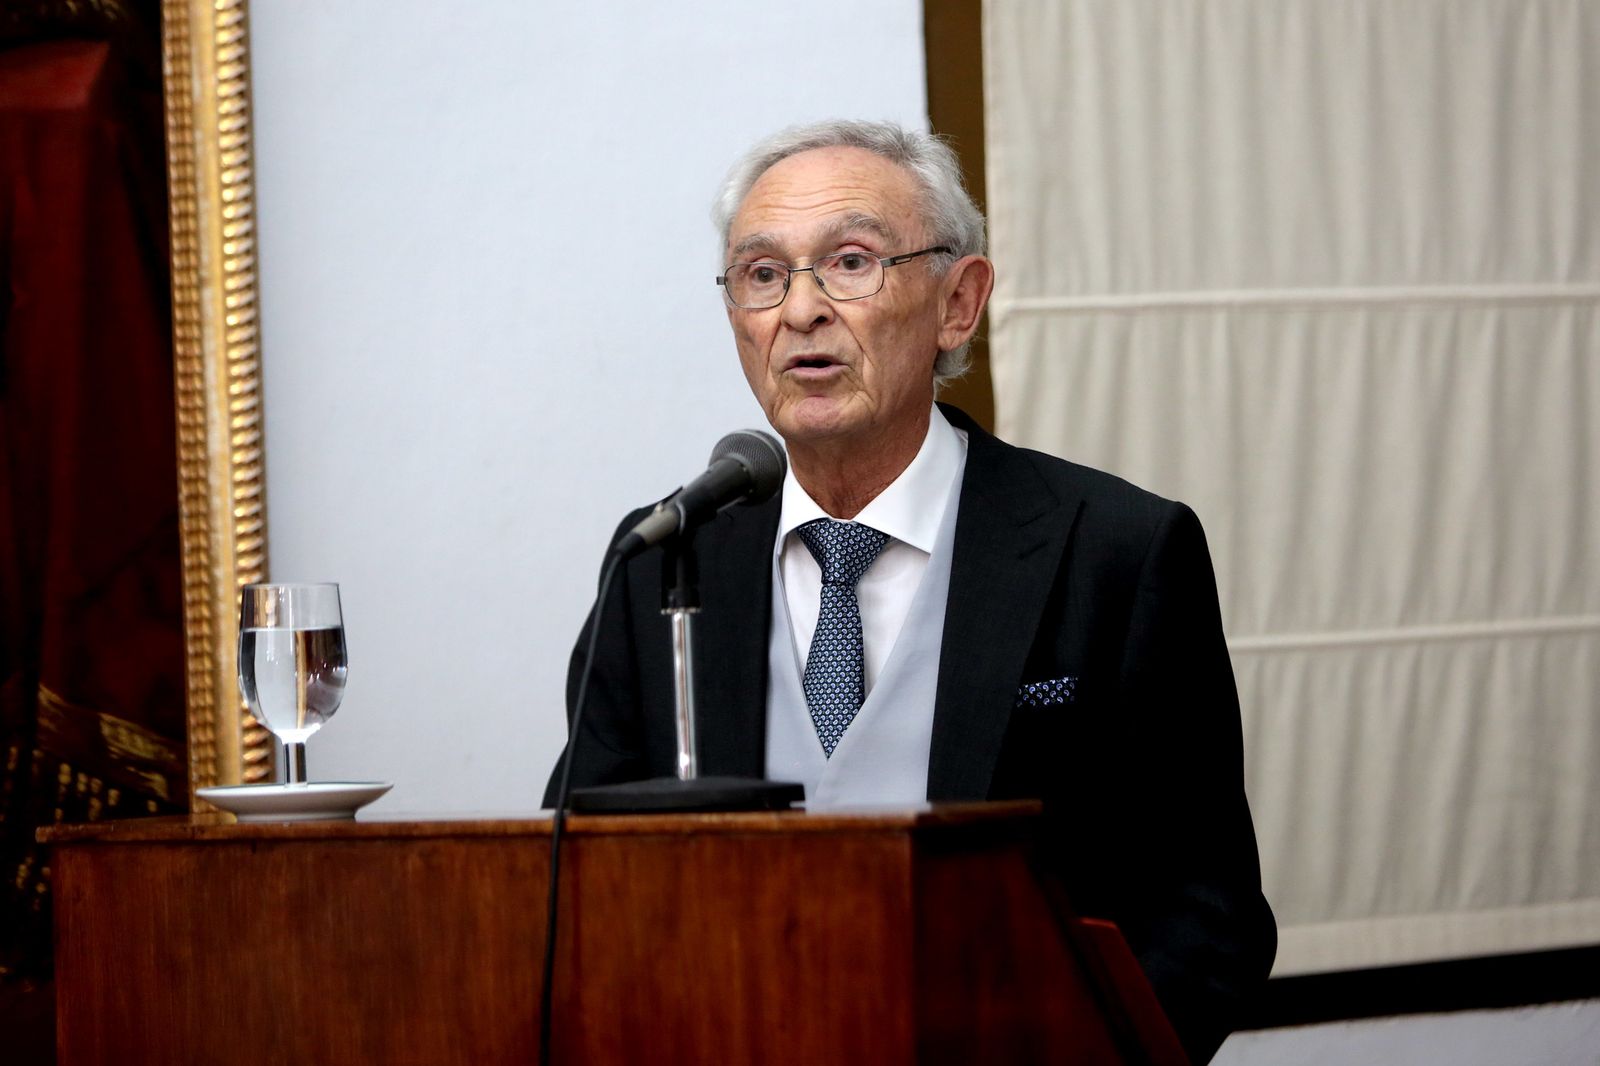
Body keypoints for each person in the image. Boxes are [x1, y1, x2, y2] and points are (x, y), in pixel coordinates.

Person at [545, 119, 1275, 1063]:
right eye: (762, 274)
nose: (800, 310)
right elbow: (573, 885)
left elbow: (1206, 916)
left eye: (850, 263)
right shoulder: (664, 557)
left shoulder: (1117, 551)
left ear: (957, 304)